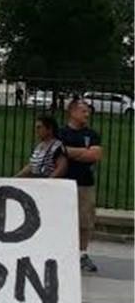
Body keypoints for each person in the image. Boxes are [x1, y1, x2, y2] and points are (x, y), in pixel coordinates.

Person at [59, 100, 103, 273]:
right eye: (84, 111)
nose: (87, 114)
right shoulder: (61, 133)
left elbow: (95, 155)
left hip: (85, 183)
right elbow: (55, 152)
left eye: (88, 111)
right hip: (63, 182)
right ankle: (62, 251)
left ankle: (82, 253)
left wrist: (68, 152)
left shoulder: (92, 134)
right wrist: (83, 152)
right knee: (62, 220)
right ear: (73, 112)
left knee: (85, 222)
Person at [16, 114, 68, 179]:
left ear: (49, 129)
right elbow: (31, 166)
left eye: (39, 127)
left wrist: (49, 180)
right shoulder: (39, 147)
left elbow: (62, 168)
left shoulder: (57, 146)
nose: (36, 130)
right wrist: (16, 177)